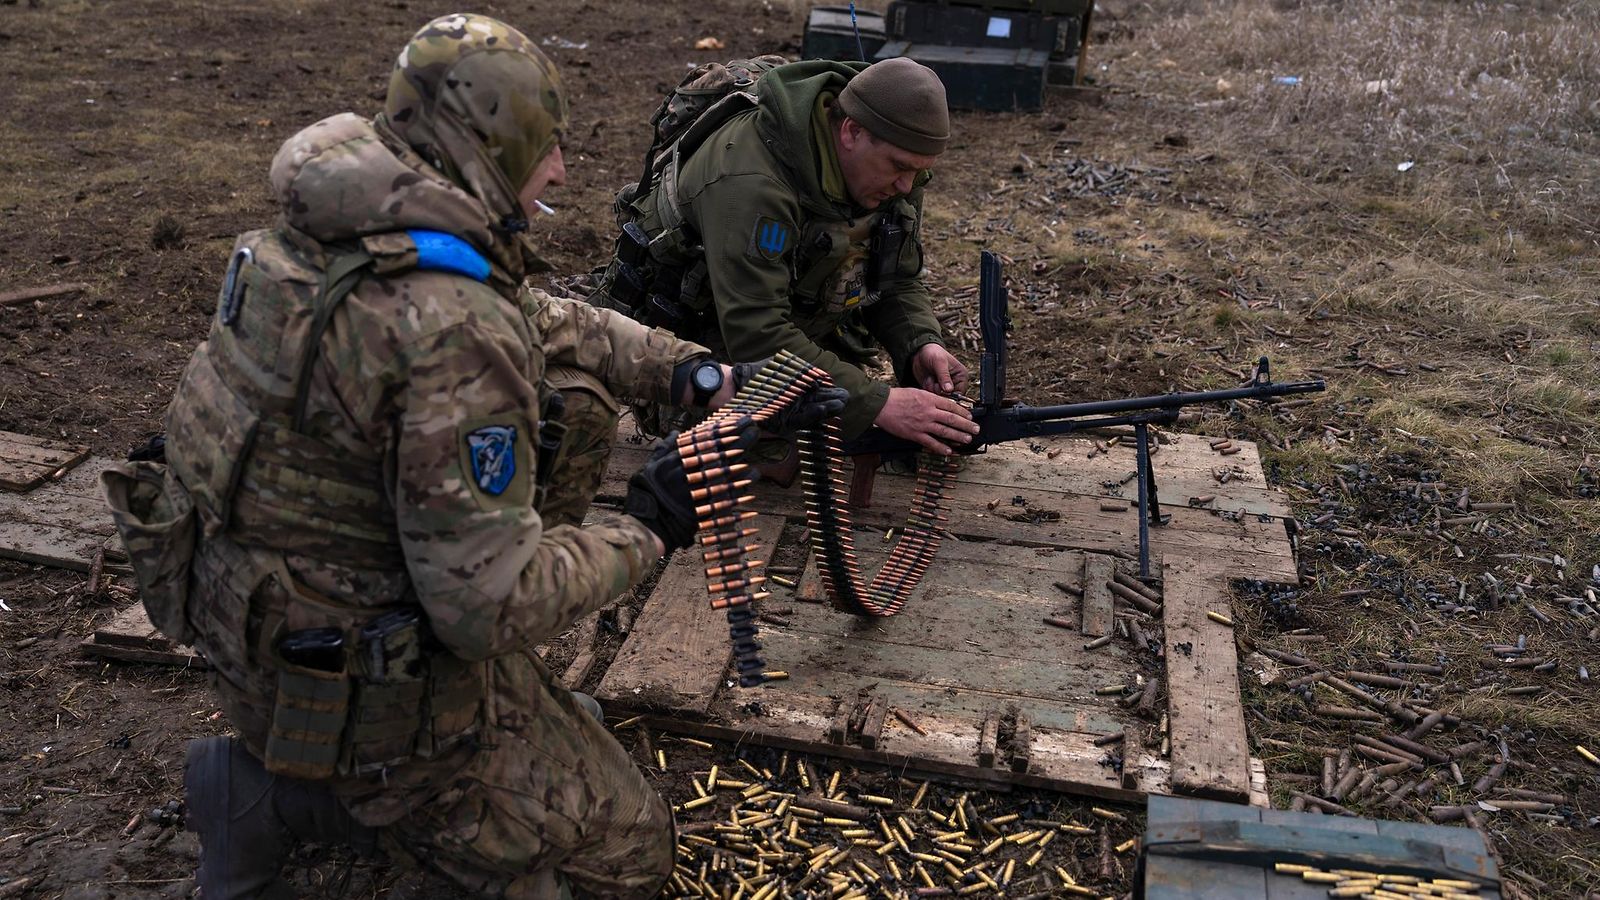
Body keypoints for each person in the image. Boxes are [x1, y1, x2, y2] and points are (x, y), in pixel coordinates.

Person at [100, 14, 841, 899]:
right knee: (624, 859)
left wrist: (699, 373)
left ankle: (428, 761)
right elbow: (487, 609)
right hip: (342, 681)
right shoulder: (449, 328)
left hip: (258, 618)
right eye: (544, 145)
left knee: (572, 389)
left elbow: (549, 320)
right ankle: (282, 798)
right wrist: (650, 522)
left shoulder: (339, 235)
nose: (562, 168)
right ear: (482, 147)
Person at [596, 56, 981, 456]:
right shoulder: (751, 183)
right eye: (900, 168)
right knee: (776, 450)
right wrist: (878, 403)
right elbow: (756, 335)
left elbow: (894, 275)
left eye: (918, 174)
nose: (906, 186)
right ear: (851, 131)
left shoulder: (893, 163)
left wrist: (920, 344)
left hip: (797, 327)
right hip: (695, 356)